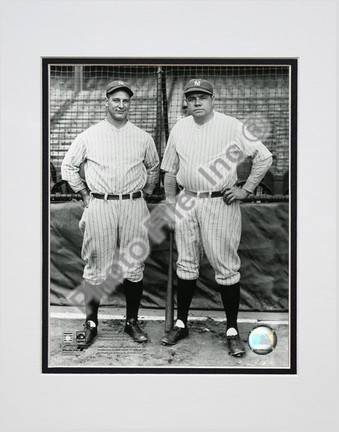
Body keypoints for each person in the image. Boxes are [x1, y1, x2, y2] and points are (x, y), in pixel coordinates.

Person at [160, 78, 272, 357]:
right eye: (191, 97)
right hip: (187, 199)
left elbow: (264, 157)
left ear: (212, 100)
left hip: (219, 202)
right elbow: (170, 172)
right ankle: (182, 323)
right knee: (186, 264)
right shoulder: (180, 127)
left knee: (226, 266)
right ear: (185, 101)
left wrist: (245, 189)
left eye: (202, 97)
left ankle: (232, 330)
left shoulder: (231, 125)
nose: (196, 102)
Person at [61, 80, 160, 345]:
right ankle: (91, 323)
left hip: (132, 204)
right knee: (95, 265)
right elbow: (69, 166)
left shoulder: (142, 136)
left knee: (133, 264)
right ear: (106, 102)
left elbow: (154, 167)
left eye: (125, 100)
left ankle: (132, 322)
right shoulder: (89, 135)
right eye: (115, 99)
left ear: (130, 103)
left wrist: (146, 194)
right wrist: (83, 194)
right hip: (100, 203)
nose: (121, 104)